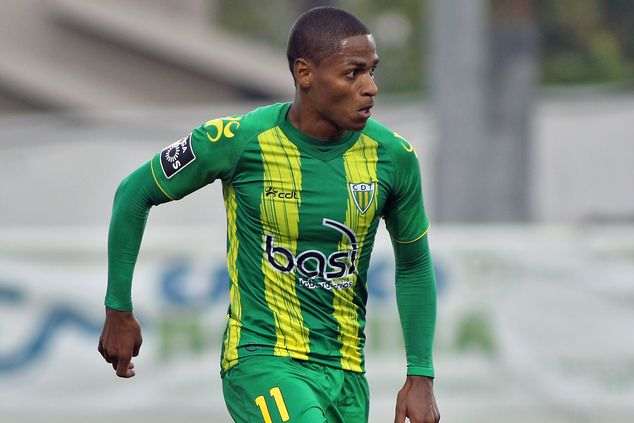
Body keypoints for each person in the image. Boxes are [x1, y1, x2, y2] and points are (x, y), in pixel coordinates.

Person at [98, 6, 439, 423]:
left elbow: (414, 264)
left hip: (347, 373)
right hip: (261, 360)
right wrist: (118, 309)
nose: (370, 87)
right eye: (353, 73)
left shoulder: (394, 157)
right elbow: (133, 194)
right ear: (305, 73)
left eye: (372, 71)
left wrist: (420, 374)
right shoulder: (237, 140)